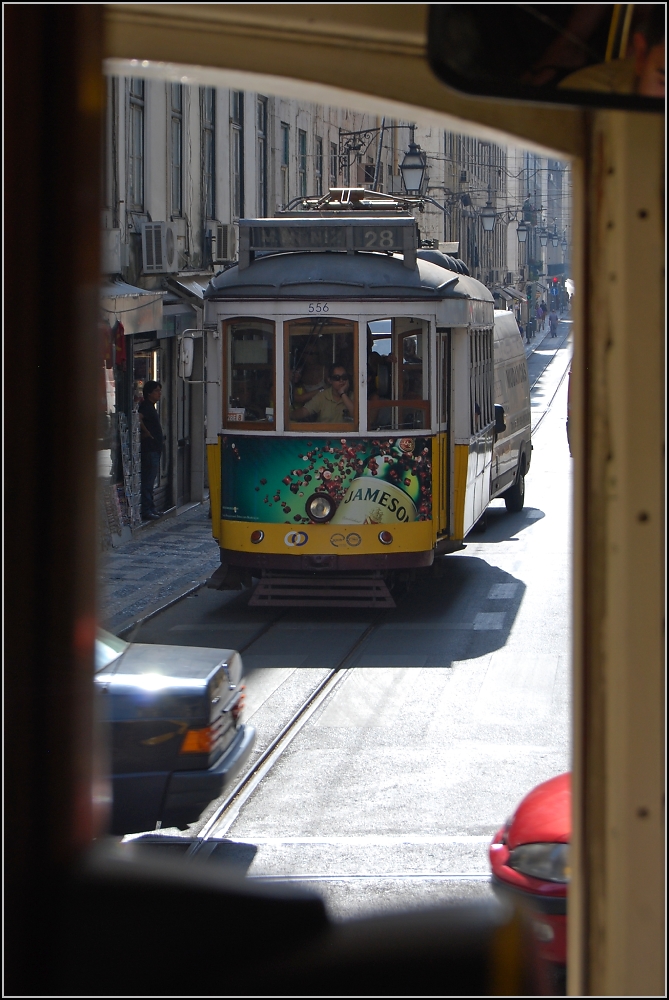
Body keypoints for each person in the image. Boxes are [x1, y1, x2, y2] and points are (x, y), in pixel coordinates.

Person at [138, 380, 164, 520]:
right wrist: (146, 432)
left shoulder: (151, 407)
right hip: (150, 449)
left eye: (160, 390)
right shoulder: (146, 407)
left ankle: (151, 508)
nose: (159, 393)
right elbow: (138, 418)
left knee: (151, 480)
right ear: (149, 393)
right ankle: (146, 510)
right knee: (148, 481)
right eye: (156, 391)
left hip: (154, 448)